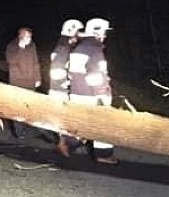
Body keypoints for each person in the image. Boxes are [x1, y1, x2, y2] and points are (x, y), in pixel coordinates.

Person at [66, 17, 118, 164]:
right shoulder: (94, 49)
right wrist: (101, 95)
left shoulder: (80, 48)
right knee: (103, 125)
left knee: (78, 124)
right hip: (91, 95)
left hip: (78, 92)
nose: (105, 36)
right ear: (96, 32)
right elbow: (95, 75)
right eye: (104, 32)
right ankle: (104, 154)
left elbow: (71, 72)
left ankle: (68, 144)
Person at [48, 18, 84, 154]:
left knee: (65, 119)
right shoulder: (63, 48)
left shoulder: (65, 46)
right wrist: (67, 82)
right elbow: (57, 71)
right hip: (60, 90)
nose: (78, 37)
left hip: (60, 88)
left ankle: (66, 143)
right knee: (64, 119)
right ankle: (63, 144)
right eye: (77, 34)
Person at [4, 26, 42, 139]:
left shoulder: (32, 46)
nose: (29, 38)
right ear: (20, 36)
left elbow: (36, 62)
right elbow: (11, 60)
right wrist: (20, 48)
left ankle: (26, 126)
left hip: (30, 82)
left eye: (30, 36)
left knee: (29, 106)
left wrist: (38, 78)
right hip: (17, 82)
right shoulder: (12, 46)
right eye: (27, 36)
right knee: (18, 107)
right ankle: (19, 132)